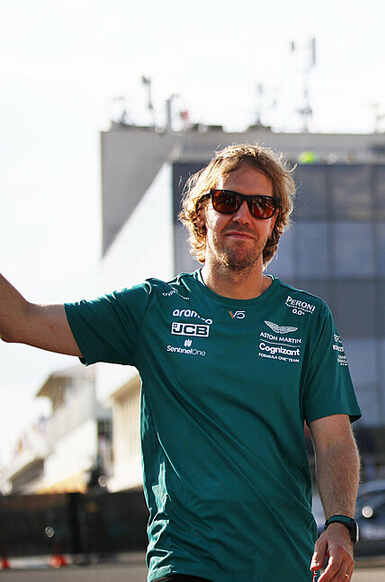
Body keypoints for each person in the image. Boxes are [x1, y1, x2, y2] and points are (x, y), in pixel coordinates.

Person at [0, 144, 361, 582]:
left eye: (261, 206)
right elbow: (20, 321)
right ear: (201, 212)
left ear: (274, 223)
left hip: (283, 562)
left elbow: (335, 441)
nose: (243, 216)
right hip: (185, 561)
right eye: (227, 200)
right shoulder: (152, 309)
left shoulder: (308, 318)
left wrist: (340, 523)